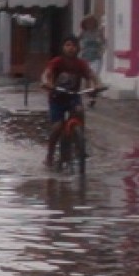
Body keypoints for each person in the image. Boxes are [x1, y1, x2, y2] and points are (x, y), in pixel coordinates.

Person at [41, 34, 98, 168]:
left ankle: (80, 142)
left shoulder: (81, 63)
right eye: (68, 45)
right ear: (63, 47)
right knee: (57, 126)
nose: (71, 48)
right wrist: (46, 83)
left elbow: (91, 74)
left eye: (73, 45)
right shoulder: (57, 62)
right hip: (57, 98)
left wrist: (98, 84)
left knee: (79, 111)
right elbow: (47, 74)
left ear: (77, 48)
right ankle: (49, 154)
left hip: (73, 96)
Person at [78, 14, 105, 79]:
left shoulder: (99, 32)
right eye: (88, 22)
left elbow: (103, 43)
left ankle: (94, 87)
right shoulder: (83, 32)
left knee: (94, 75)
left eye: (91, 22)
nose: (90, 24)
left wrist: (102, 50)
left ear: (95, 23)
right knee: (86, 76)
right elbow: (75, 41)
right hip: (85, 57)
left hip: (96, 57)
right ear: (84, 24)